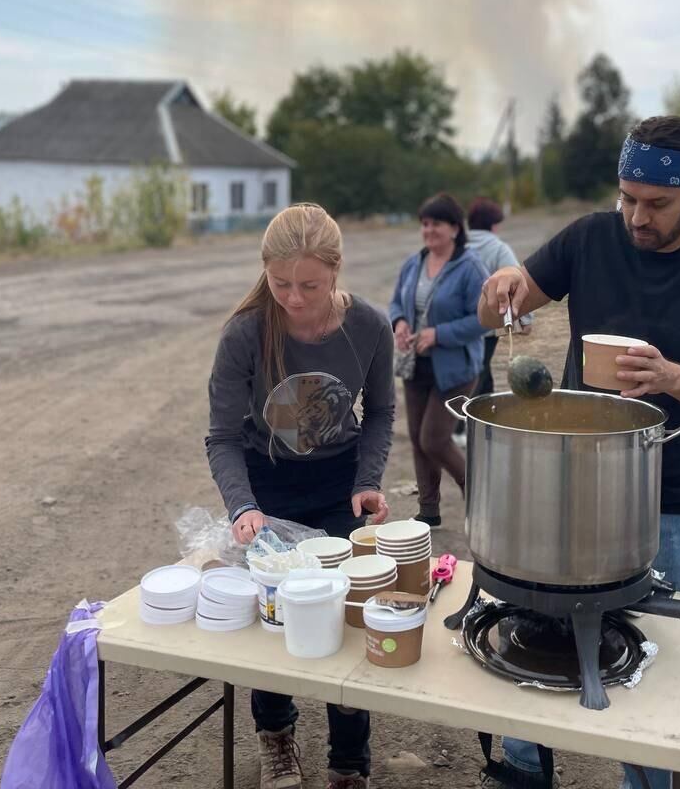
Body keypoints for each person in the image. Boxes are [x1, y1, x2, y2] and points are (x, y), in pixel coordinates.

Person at [477, 116, 680, 789]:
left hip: (665, 504)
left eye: (657, 204)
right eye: (628, 197)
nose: (638, 217)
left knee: (646, 681)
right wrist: (500, 294)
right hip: (565, 487)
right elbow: (495, 307)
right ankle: (524, 772)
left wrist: (673, 378)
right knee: (534, 637)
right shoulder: (589, 238)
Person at [205, 203, 394, 789]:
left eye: (308, 284)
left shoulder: (368, 327)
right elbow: (222, 436)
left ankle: (348, 759)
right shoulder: (244, 335)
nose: (291, 297)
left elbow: (382, 412)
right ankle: (277, 739)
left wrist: (368, 481)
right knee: (277, 619)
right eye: (279, 282)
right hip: (269, 491)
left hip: (341, 488)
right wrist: (242, 505)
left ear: (336, 273)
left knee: (345, 618)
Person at [389, 192, 489, 527]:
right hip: (416, 365)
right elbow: (397, 304)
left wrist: (439, 334)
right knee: (418, 440)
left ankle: (479, 497)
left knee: (434, 438)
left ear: (454, 229)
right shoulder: (413, 262)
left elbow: (482, 319)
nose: (429, 230)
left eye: (436, 224)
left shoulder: (470, 268)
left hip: (456, 369)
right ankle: (428, 511)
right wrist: (400, 323)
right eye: (425, 223)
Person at [450, 198, 534, 443]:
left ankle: (474, 424)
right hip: (484, 328)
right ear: (494, 225)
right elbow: (518, 284)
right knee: (479, 373)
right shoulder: (498, 248)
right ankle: (465, 428)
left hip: (455, 325)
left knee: (472, 374)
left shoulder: (456, 245)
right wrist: (525, 319)